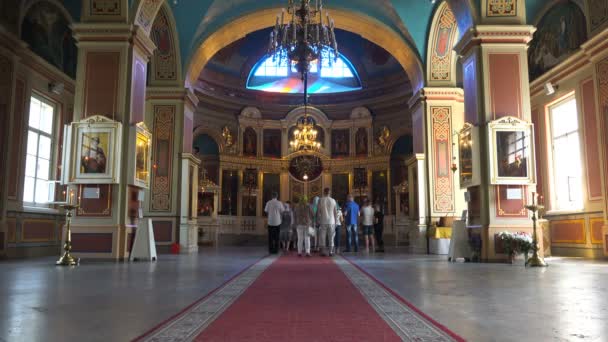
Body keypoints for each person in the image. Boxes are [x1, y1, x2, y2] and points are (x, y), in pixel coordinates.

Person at [317, 188, 338, 256]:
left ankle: (323, 252)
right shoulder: (333, 200)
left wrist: (318, 220)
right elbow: (335, 212)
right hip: (332, 221)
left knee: (322, 237)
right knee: (331, 237)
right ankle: (331, 252)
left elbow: (318, 211)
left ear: (324, 192)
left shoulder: (321, 200)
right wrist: (336, 221)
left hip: (323, 221)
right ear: (329, 192)